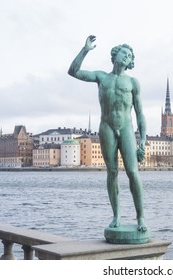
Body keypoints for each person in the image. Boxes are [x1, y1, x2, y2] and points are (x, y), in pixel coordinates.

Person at [68, 35, 147, 231]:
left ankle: (141, 218)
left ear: (130, 62)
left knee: (133, 173)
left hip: (127, 128)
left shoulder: (133, 83)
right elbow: (73, 71)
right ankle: (116, 216)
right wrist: (85, 49)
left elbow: (140, 114)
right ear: (115, 54)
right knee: (112, 172)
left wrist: (143, 139)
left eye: (130, 55)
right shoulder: (101, 77)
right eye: (124, 52)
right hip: (107, 127)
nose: (126, 56)